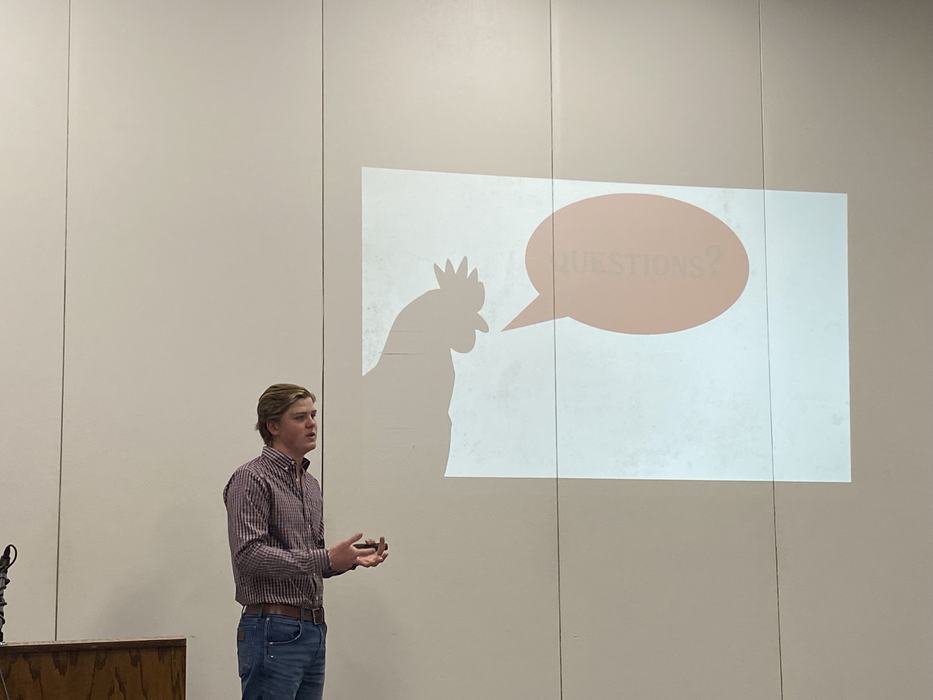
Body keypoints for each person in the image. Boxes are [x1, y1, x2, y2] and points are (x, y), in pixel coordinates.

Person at [224, 383, 387, 700]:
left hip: (312, 629)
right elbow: (248, 556)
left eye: (313, 415)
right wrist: (326, 558)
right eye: (300, 417)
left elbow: (312, 562)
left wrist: (349, 559)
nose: (312, 424)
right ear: (273, 426)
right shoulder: (251, 478)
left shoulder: (310, 484)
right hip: (272, 629)